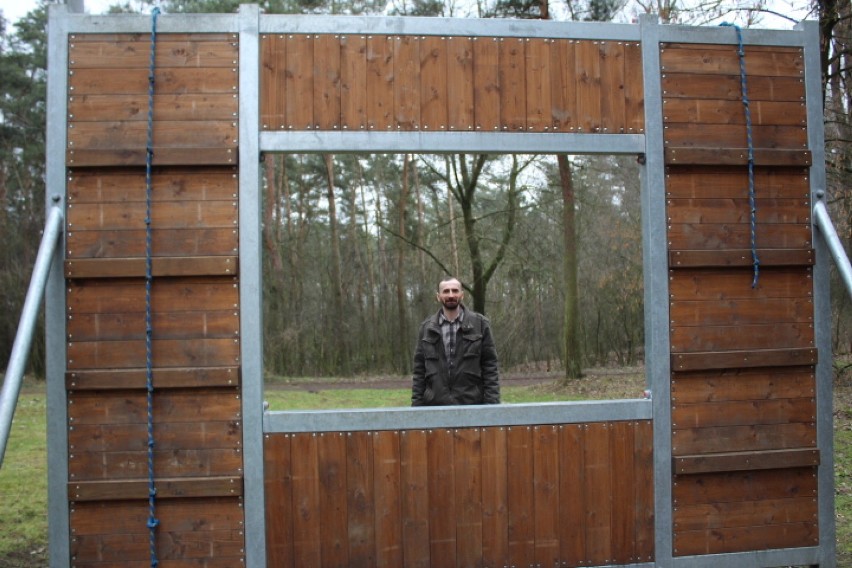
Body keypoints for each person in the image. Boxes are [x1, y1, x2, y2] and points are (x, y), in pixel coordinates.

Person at [411, 277, 501, 406]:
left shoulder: (480, 324)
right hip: (435, 405)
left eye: (455, 290)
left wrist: (492, 404)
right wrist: (416, 407)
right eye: (446, 291)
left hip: (472, 404)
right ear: (438, 296)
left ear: (462, 295)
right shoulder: (426, 328)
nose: (451, 295)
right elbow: (419, 371)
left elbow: (490, 366)